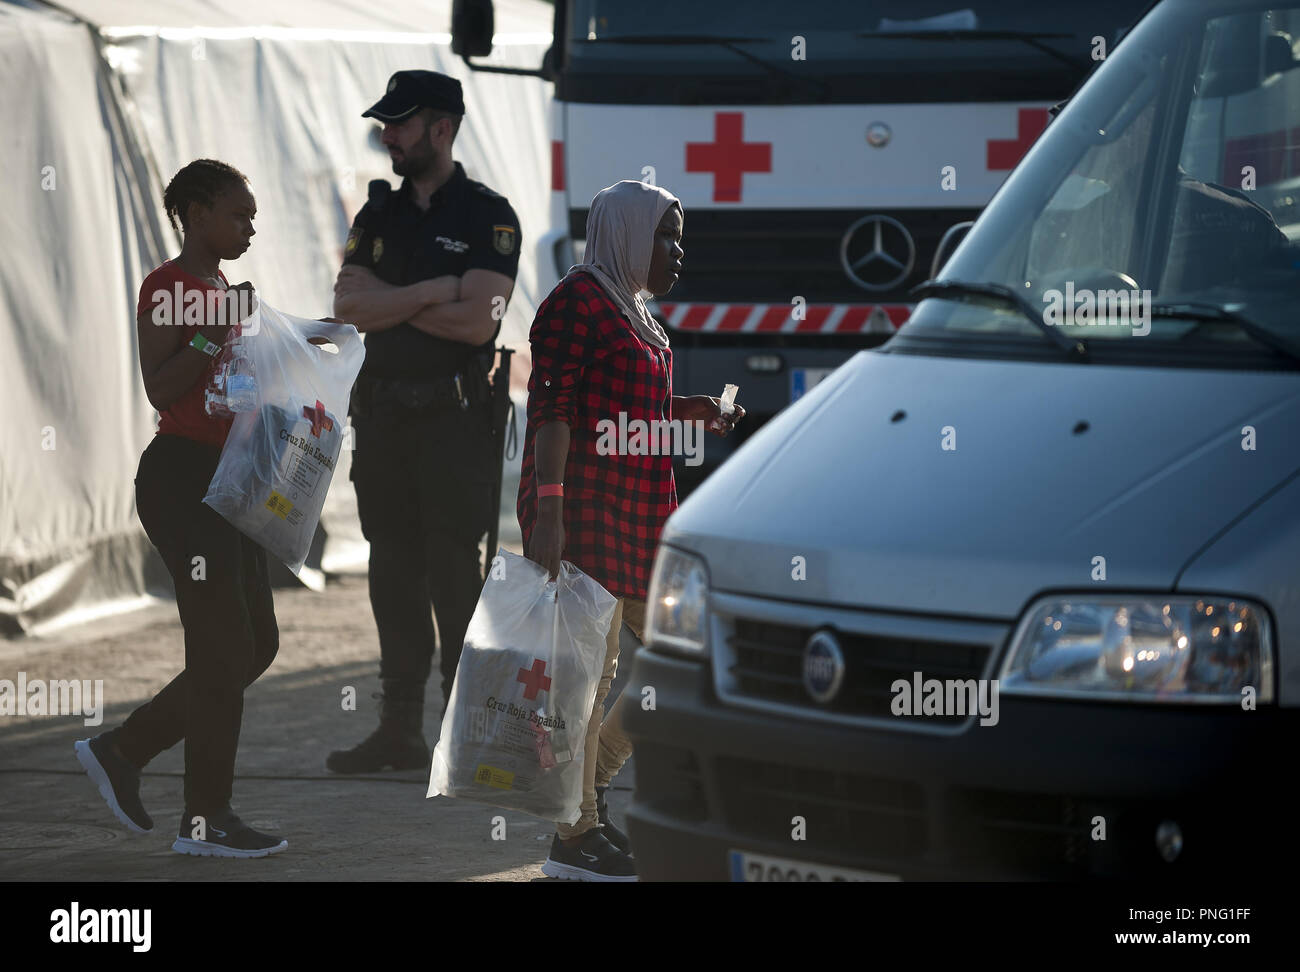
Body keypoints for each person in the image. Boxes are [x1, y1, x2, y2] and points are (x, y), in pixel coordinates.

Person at [518, 180, 744, 881]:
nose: (677, 251)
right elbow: (553, 410)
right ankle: (574, 836)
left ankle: (589, 798)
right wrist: (550, 514)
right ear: (627, 234)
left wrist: (689, 411)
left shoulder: (632, 307)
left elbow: (624, 402)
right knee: (594, 676)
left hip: (641, 517)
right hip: (586, 515)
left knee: (684, 656)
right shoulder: (576, 303)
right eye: (666, 235)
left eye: (680, 236)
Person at [75, 159, 288, 858]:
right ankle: (205, 820)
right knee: (222, 647)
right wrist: (214, 327)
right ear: (196, 213)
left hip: (232, 479)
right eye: (239, 214)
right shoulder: (169, 286)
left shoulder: (223, 287)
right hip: (182, 480)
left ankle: (124, 749)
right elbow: (162, 389)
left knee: (257, 644)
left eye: (252, 216)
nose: (250, 226)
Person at [326, 70, 521, 774]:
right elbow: (349, 307)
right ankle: (399, 728)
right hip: (384, 421)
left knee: (453, 573)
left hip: (455, 423)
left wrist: (396, 298)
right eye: (385, 123)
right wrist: (437, 288)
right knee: (393, 569)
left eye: (401, 124)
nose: (388, 136)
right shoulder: (378, 214)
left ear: (442, 128)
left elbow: (478, 325)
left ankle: (464, 729)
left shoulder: (486, 215)